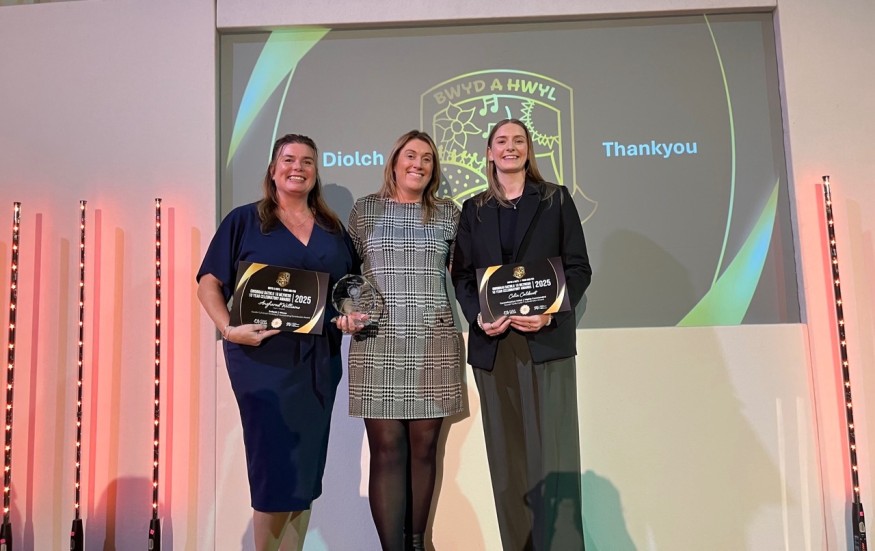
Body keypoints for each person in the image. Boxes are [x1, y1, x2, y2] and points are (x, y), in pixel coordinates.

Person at [197, 134, 357, 551]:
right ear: (273, 169)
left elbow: (345, 291)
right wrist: (228, 328)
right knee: (273, 472)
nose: (297, 168)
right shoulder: (244, 220)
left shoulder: (332, 229)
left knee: (304, 474)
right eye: (288, 159)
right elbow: (208, 283)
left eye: (307, 161)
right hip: (261, 363)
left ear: (315, 172)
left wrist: (349, 316)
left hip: (318, 364)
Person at [450, 119, 592, 550]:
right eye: (501, 141)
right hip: (494, 349)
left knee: (554, 459)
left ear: (529, 150)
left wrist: (549, 315)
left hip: (545, 345)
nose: (510, 147)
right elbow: (462, 277)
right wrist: (479, 317)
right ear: (489, 152)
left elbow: (578, 268)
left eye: (518, 140)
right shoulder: (473, 210)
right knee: (508, 465)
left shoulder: (555, 199)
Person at [337, 130, 462, 551]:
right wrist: (348, 311)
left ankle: (416, 544)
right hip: (377, 342)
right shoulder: (365, 210)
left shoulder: (448, 213)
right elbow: (346, 273)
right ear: (394, 162)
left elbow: (466, 273)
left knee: (424, 450)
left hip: (434, 343)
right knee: (387, 451)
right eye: (411, 155)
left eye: (427, 158)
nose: (418, 164)